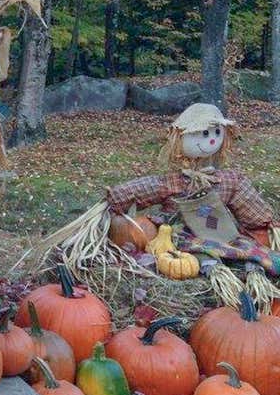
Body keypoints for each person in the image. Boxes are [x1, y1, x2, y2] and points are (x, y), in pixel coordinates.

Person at [105, 104, 280, 274]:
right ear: (180, 138)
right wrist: (117, 197)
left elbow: (248, 205)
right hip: (179, 235)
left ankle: (255, 266)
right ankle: (214, 269)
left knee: (247, 248)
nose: (211, 139)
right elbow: (144, 188)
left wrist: (265, 224)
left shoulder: (227, 180)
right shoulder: (173, 182)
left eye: (217, 132)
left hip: (220, 231)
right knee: (198, 253)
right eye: (204, 133)